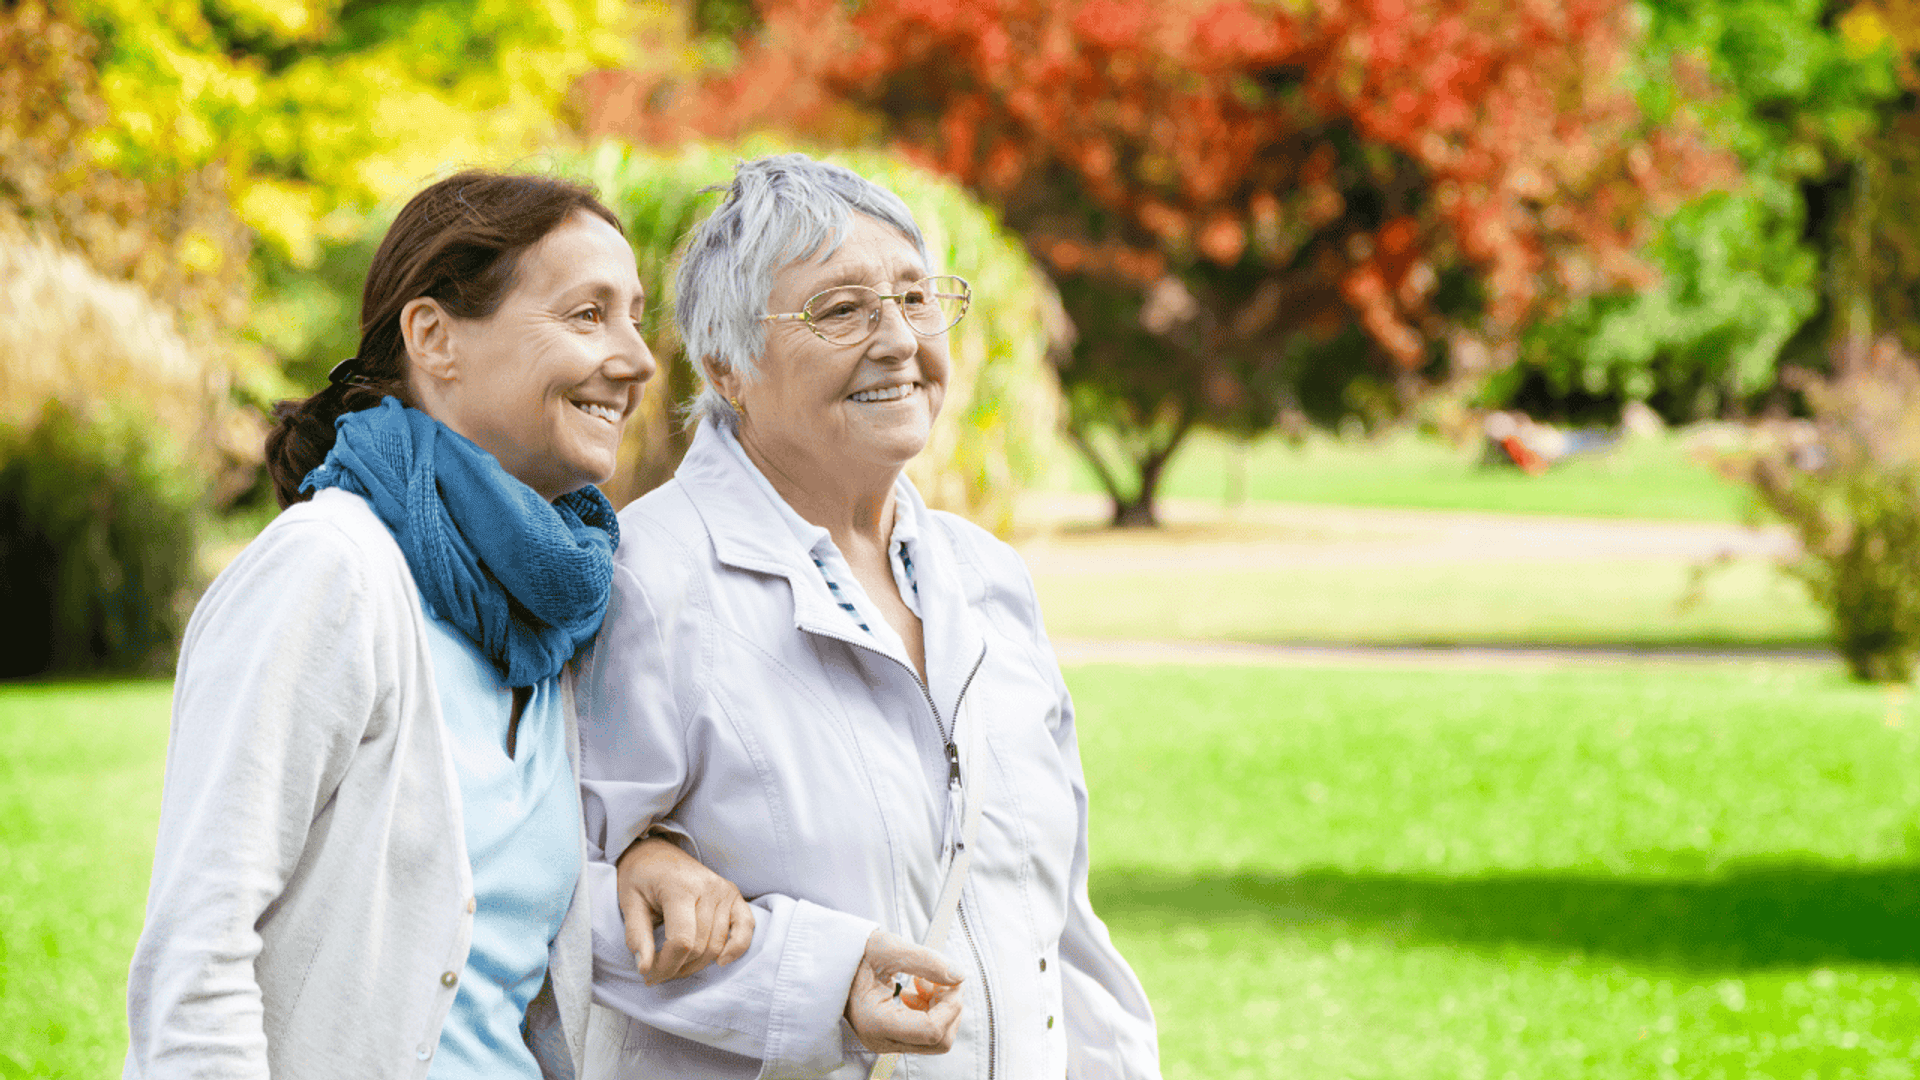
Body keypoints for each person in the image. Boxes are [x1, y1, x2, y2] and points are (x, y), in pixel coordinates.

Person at [123, 170, 751, 1080]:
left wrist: (651, 857)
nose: (639, 358)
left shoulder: (556, 611)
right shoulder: (330, 573)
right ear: (434, 338)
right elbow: (198, 956)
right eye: (586, 315)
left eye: (634, 315)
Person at [575, 154, 1162, 1078]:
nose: (896, 339)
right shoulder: (648, 578)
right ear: (728, 364)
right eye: (840, 310)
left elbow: (1058, 925)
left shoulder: (988, 578)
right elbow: (554, 902)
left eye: (916, 298)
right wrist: (819, 981)